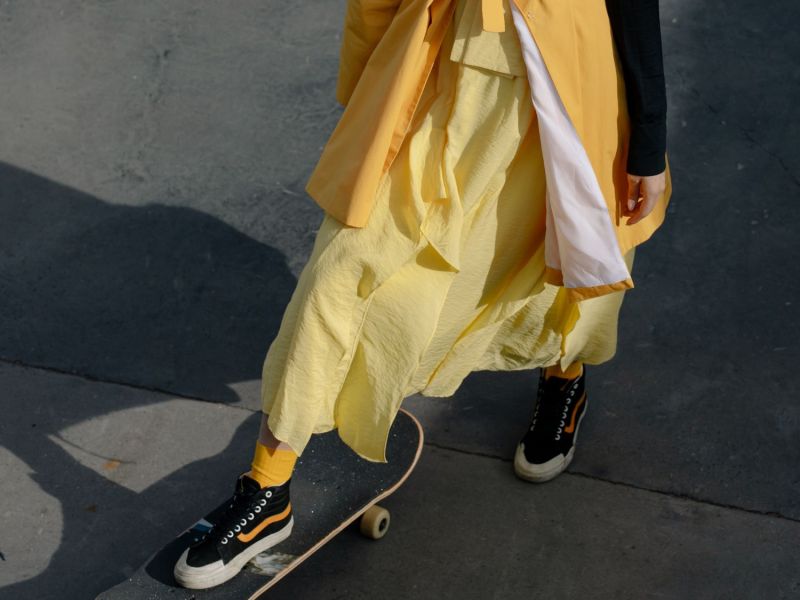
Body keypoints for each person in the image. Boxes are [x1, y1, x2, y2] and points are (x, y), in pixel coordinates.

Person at [174, 0, 671, 589]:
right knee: (342, 271)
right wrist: (369, 67)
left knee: (565, 244)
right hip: (443, 68)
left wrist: (648, 133)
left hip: (570, 73)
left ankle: (565, 378)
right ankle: (267, 488)